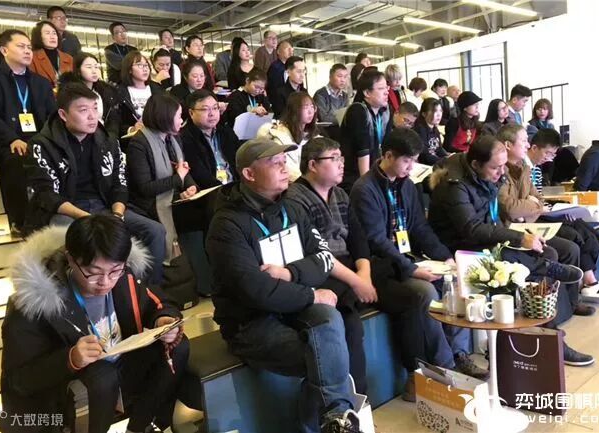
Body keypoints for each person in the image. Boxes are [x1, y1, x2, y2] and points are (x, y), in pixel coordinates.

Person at [206, 138, 362, 433]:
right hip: (250, 322)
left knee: (330, 319)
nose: (284, 168)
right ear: (249, 174)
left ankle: (335, 420)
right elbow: (256, 290)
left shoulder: (292, 207)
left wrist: (290, 273)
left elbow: (323, 259)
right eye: (274, 163)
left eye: (284, 161)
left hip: (293, 308)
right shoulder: (226, 225)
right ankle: (336, 420)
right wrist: (311, 293)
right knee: (325, 356)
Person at [0, 214, 189, 433]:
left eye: (115, 271)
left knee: (178, 345)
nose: (105, 282)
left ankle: (139, 427)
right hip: (64, 392)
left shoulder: (124, 277)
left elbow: (156, 302)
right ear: (70, 259)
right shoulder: (35, 303)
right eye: (92, 273)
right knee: (101, 376)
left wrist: (162, 319)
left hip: (119, 368)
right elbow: (20, 380)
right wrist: (70, 359)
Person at [428, 135, 594, 365]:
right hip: (459, 250)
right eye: (495, 167)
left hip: (483, 242)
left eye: (503, 166)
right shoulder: (454, 187)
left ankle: (547, 336)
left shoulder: (484, 175)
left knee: (543, 253)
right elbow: (472, 229)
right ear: (476, 164)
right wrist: (519, 238)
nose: (501, 172)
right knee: (518, 262)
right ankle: (550, 338)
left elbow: (492, 220)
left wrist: (519, 237)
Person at [350, 128, 488, 393]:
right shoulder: (364, 189)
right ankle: (445, 369)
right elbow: (376, 240)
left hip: (405, 259)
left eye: (414, 161)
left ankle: (457, 356)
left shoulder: (406, 185)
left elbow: (420, 228)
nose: (411, 167)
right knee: (424, 292)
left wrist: (446, 257)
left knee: (452, 279)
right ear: (388, 156)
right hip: (378, 267)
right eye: (406, 161)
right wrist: (412, 269)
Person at [25, 83, 167, 286]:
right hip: (66, 210)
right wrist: (86, 218)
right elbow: (46, 195)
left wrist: (117, 214)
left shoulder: (108, 140)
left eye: (94, 108)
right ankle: (76, 293)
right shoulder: (42, 145)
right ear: (63, 114)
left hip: (105, 207)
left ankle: (145, 291)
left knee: (154, 231)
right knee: (72, 237)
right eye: (83, 110)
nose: (92, 116)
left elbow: (119, 183)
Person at [284, 137, 370, 394]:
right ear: (312, 165)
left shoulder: (340, 193)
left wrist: (364, 274)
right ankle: (357, 398)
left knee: (401, 280)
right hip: (320, 269)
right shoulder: (295, 199)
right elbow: (315, 254)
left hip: (347, 265)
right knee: (348, 317)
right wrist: (356, 281)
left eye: (341, 158)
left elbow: (358, 238)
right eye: (334, 159)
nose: (342, 164)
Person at [499, 125, 599, 303]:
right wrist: (532, 207)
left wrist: (530, 208)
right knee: (571, 243)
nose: (527, 145)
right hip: (516, 228)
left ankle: (579, 294)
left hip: (529, 221)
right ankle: (576, 292)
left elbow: (537, 199)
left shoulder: (523, 168)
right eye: (524, 141)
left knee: (582, 230)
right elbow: (510, 208)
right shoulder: (502, 171)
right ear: (508, 145)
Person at [0, 29, 57, 236]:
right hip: (4, 140)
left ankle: (54, 214)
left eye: (29, 47)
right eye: (21, 46)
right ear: (4, 50)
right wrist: (13, 138)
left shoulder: (41, 82)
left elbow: (52, 117)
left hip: (38, 139)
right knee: (15, 159)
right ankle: (20, 222)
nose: (28, 51)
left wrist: (47, 141)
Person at [126, 93, 197, 263]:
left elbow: (182, 168)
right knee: (196, 215)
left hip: (171, 194)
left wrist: (190, 186)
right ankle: (181, 266)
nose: (181, 121)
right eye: (178, 116)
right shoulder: (139, 144)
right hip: (149, 204)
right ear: (164, 117)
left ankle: (194, 269)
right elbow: (145, 188)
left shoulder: (173, 138)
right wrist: (178, 179)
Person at [339, 69, 391, 192]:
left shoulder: (383, 112)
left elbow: (386, 145)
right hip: (354, 177)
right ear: (367, 92)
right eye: (381, 88)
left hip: (374, 170)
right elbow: (362, 152)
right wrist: (368, 187)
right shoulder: (358, 111)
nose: (386, 92)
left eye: (386, 87)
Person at [180, 90, 241, 189]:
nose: (212, 114)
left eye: (215, 108)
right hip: (211, 191)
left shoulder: (226, 131)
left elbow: (240, 159)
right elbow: (199, 175)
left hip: (235, 186)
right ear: (191, 113)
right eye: (205, 109)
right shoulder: (185, 138)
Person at [257, 91, 318, 182]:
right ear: (295, 110)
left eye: (312, 107)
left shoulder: (312, 135)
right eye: (305, 107)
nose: (310, 111)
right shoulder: (279, 135)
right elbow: (288, 170)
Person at [60, 52, 120, 141]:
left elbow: (112, 120)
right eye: (89, 67)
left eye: (96, 67)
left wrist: (111, 137)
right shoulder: (70, 94)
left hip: (105, 138)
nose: (94, 71)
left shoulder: (105, 92)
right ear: (78, 70)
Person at [117, 51, 163, 138]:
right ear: (129, 69)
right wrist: (132, 129)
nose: (145, 69)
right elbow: (117, 123)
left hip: (157, 135)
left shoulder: (157, 89)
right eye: (140, 65)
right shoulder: (120, 93)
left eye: (146, 65)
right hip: (135, 138)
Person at [29, 20, 73, 89]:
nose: (52, 37)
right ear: (39, 36)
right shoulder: (32, 58)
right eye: (47, 33)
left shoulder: (68, 58)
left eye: (54, 33)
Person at [413, 98, 447, 166]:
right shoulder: (420, 129)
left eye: (440, 111)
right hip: (424, 165)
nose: (439, 114)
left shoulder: (434, 128)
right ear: (424, 114)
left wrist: (448, 157)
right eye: (435, 111)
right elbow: (424, 156)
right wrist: (444, 162)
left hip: (435, 163)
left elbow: (439, 149)